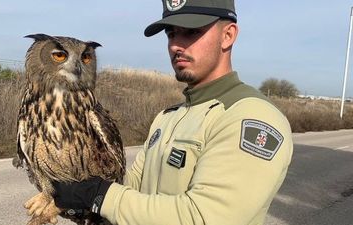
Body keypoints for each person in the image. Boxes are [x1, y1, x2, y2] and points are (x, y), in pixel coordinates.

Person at [51, 0, 294, 224]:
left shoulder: (251, 117)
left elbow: (204, 217)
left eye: (192, 32)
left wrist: (100, 196)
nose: (176, 45)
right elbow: (133, 189)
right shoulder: (167, 117)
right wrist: (76, 194)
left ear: (228, 35)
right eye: (171, 34)